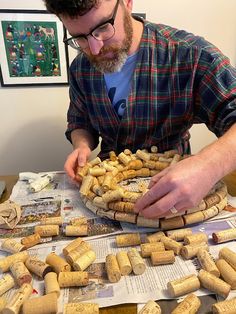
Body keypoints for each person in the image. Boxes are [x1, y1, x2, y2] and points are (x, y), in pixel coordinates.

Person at [43, 0, 236, 219]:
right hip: (110, 198)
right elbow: (80, 121)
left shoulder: (191, 55)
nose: (95, 49)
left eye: (103, 27)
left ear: (127, 3)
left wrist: (208, 166)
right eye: (79, 37)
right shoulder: (80, 67)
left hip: (173, 196)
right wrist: (82, 146)